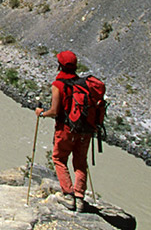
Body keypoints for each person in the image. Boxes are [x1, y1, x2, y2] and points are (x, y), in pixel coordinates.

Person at [34, 50, 90, 211]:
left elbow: (55, 111)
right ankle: (79, 197)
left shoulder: (58, 85)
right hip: (84, 131)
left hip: (66, 129)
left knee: (59, 158)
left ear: (60, 65)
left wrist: (41, 113)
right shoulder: (83, 84)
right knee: (80, 162)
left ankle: (68, 195)